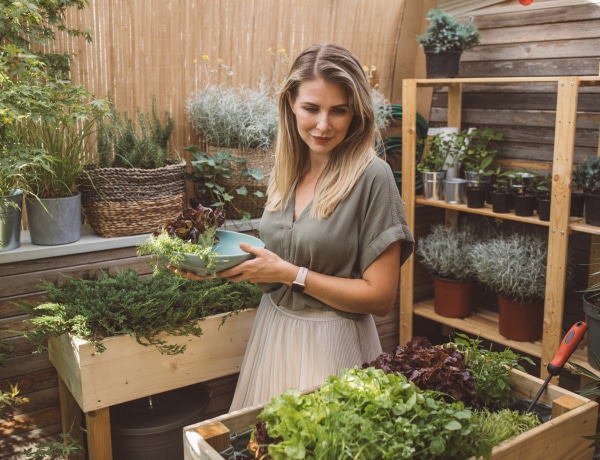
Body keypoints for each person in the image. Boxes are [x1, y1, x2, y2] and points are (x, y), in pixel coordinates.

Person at [172, 42, 414, 411]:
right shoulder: (286, 171)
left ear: (356, 115)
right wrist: (217, 267)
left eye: (339, 111)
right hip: (274, 333)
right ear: (290, 104)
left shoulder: (372, 176)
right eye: (311, 108)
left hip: (332, 346)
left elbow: (380, 298)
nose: (323, 125)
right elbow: (276, 268)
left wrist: (290, 274)